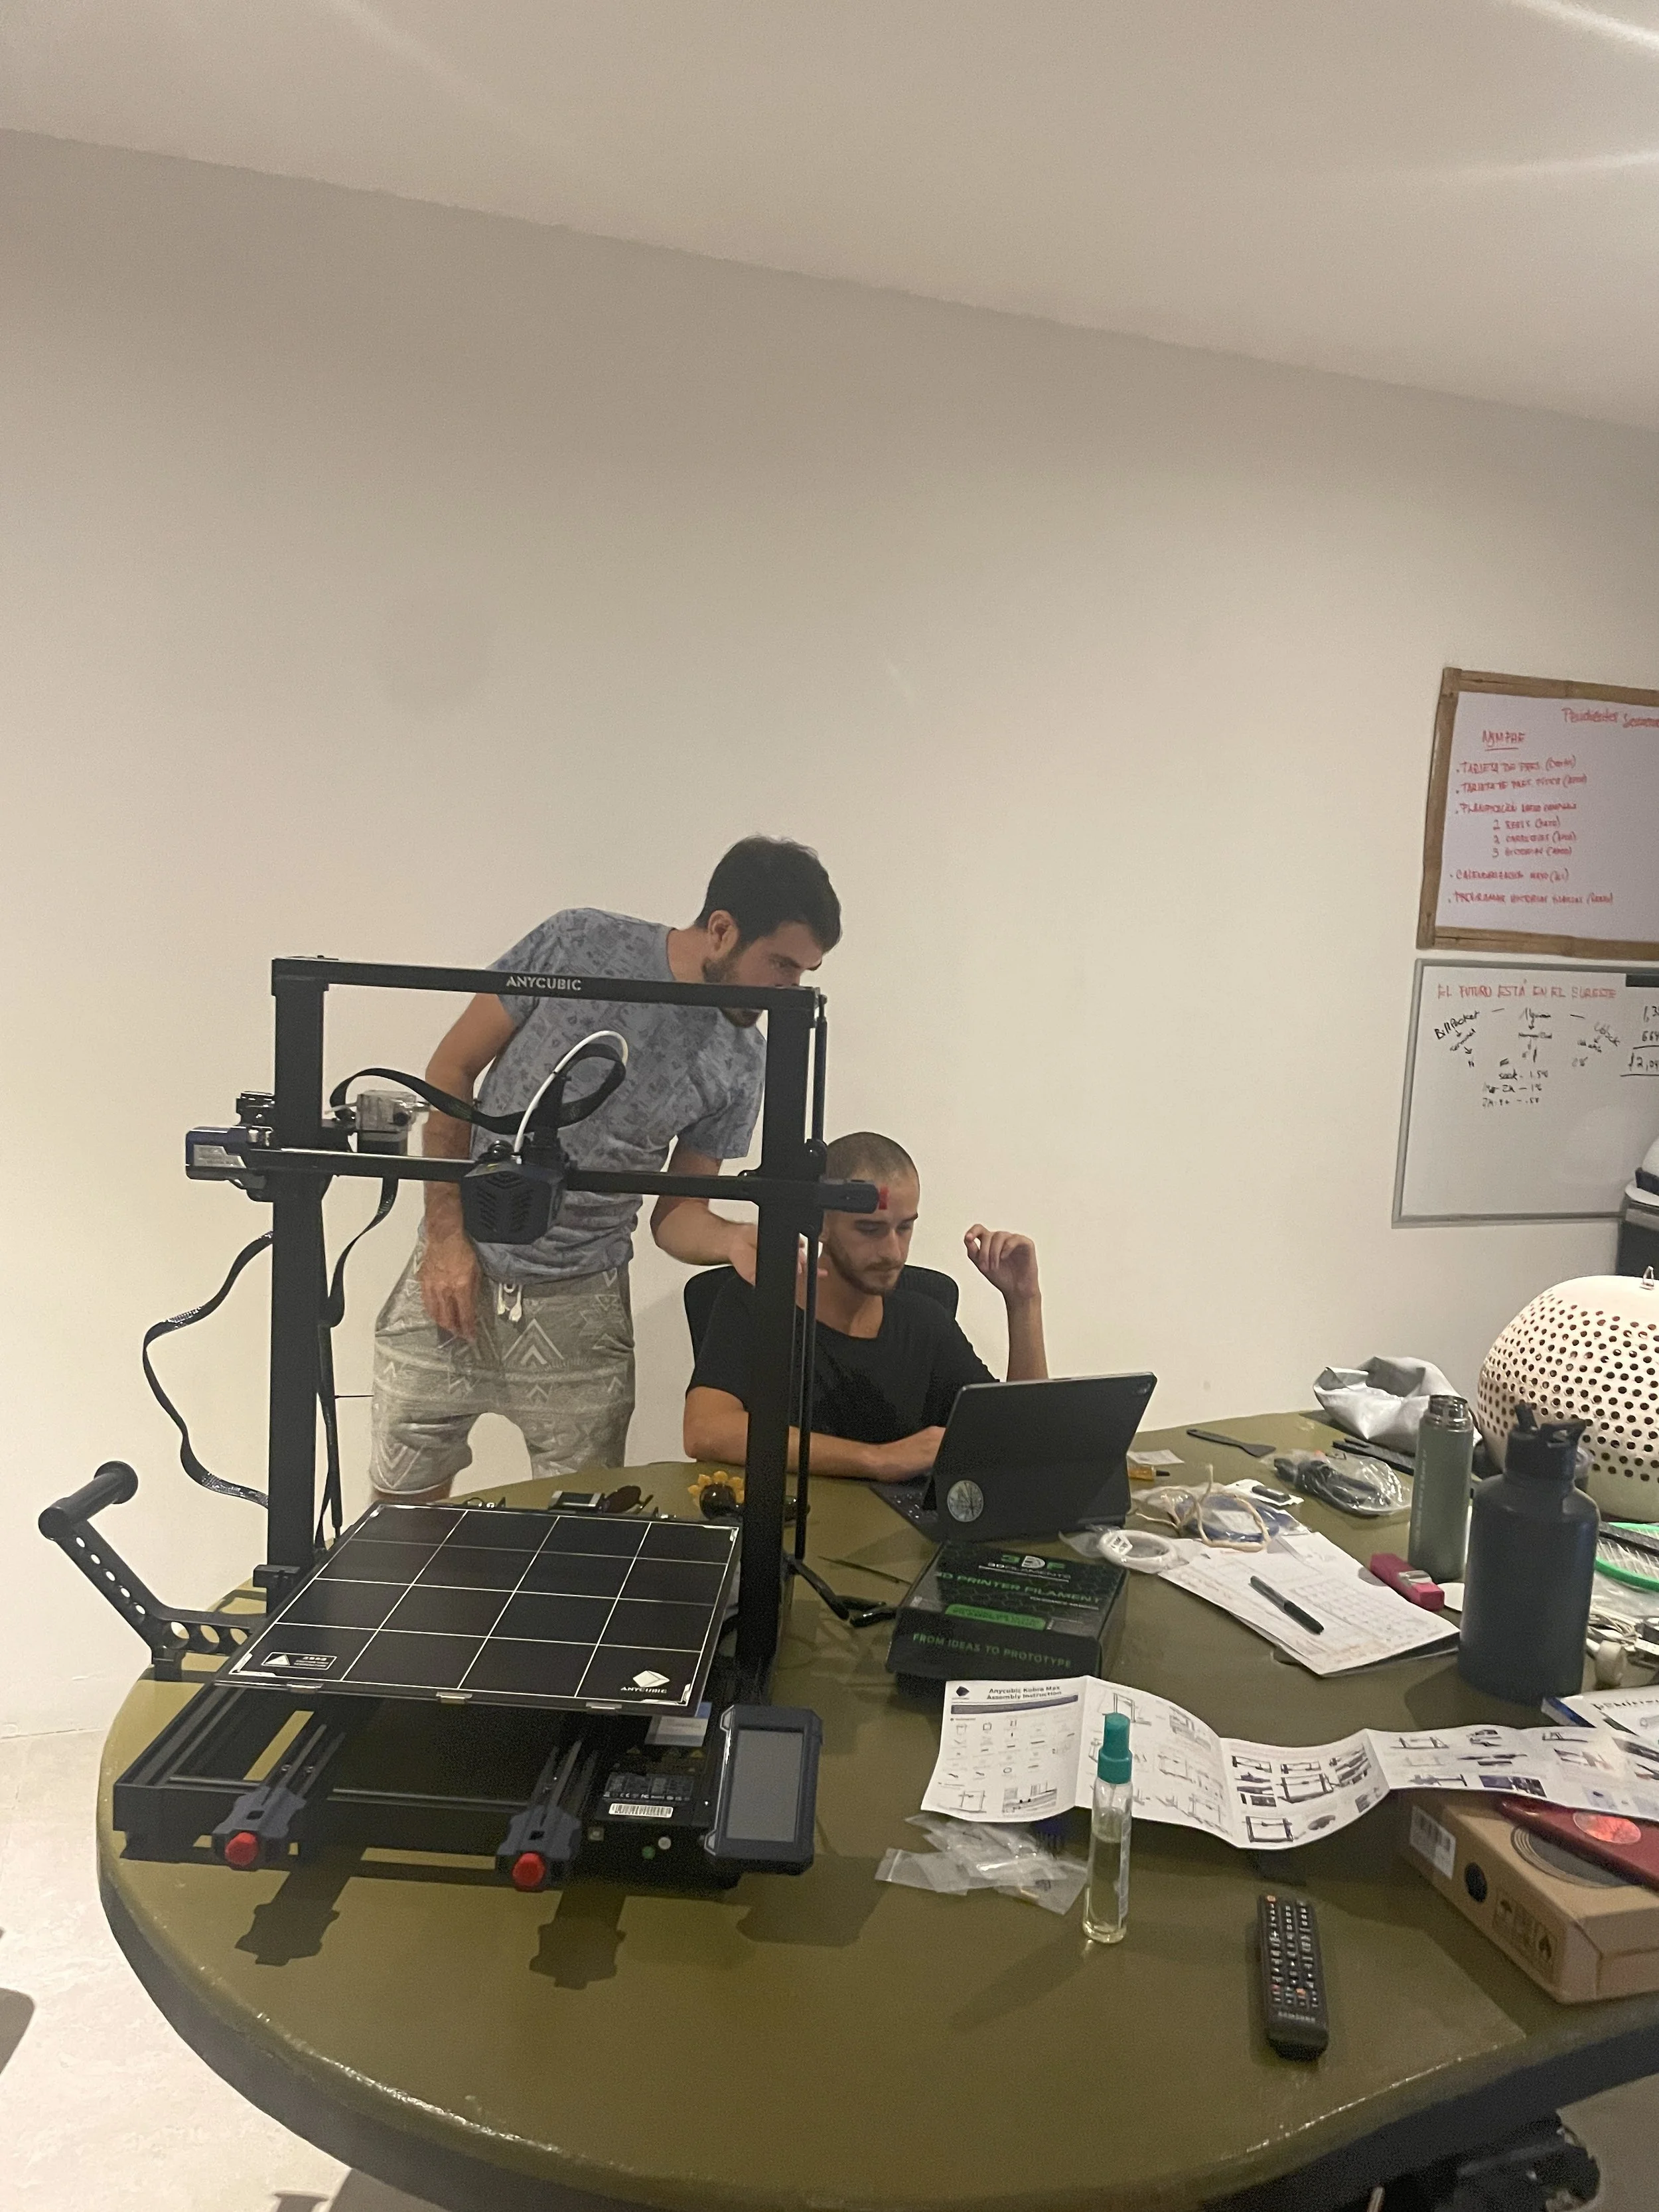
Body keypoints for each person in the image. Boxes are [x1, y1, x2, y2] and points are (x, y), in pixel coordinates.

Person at [370, 837, 841, 1501]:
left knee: (576, 1541)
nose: (787, 989)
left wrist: (733, 1239)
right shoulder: (577, 943)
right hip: (454, 1271)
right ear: (722, 929)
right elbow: (452, 1072)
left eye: (803, 973)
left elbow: (676, 1216)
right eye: (781, 965)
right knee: (396, 1525)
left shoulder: (742, 1062)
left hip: (582, 1304)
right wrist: (446, 1236)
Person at [682, 1131, 1046, 1479]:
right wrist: (877, 1459)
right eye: (870, 1230)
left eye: (904, 1228)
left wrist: (1024, 1302)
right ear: (820, 1224)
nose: (893, 1252)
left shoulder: (926, 1322)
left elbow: (1018, 1443)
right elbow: (705, 1431)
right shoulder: (756, 1301)